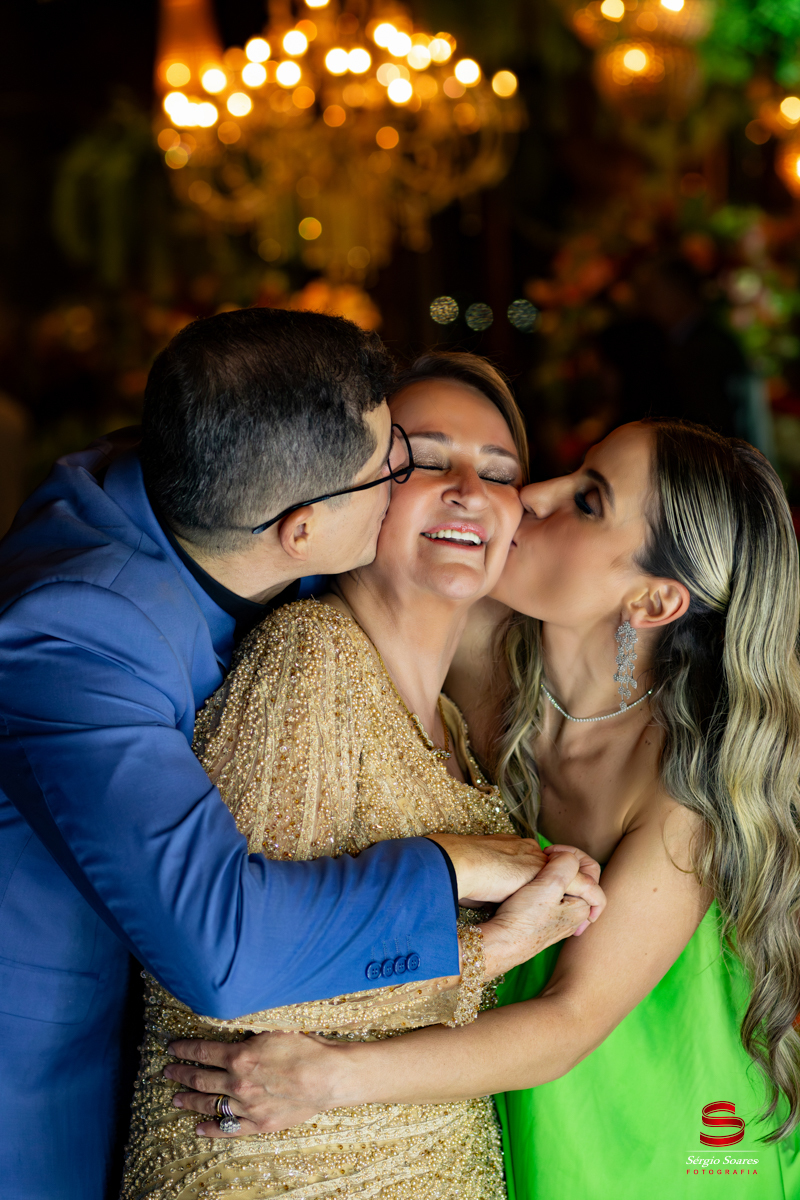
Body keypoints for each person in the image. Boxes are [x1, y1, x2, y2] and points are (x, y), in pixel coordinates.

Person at [0, 314, 564, 1200]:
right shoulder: (83, 633)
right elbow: (221, 949)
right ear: (302, 531)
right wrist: (454, 872)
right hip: (48, 1083)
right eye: (399, 465)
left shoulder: (230, 481)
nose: (423, 486)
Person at [167, 416, 800, 1198]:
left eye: (588, 502)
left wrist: (328, 1078)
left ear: (653, 599)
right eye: (571, 471)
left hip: (658, 1127)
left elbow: (569, 1021)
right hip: (475, 1098)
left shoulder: (680, 792)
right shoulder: (476, 648)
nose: (533, 495)